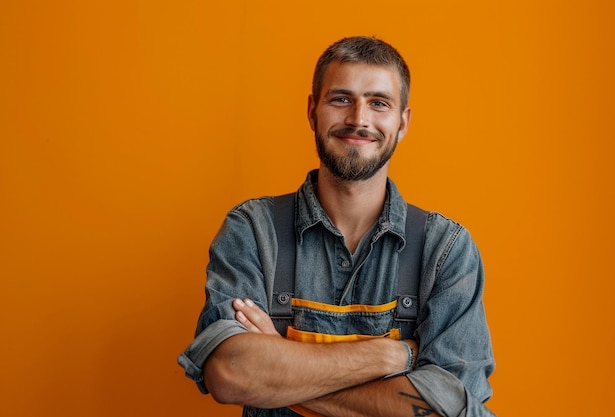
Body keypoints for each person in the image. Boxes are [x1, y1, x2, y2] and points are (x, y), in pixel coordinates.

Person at [178, 36, 495, 417]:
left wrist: (277, 372)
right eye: (341, 99)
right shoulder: (253, 230)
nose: (359, 119)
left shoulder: (445, 250)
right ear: (313, 111)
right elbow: (231, 372)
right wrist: (393, 355)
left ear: (403, 122)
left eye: (379, 103)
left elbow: (451, 410)